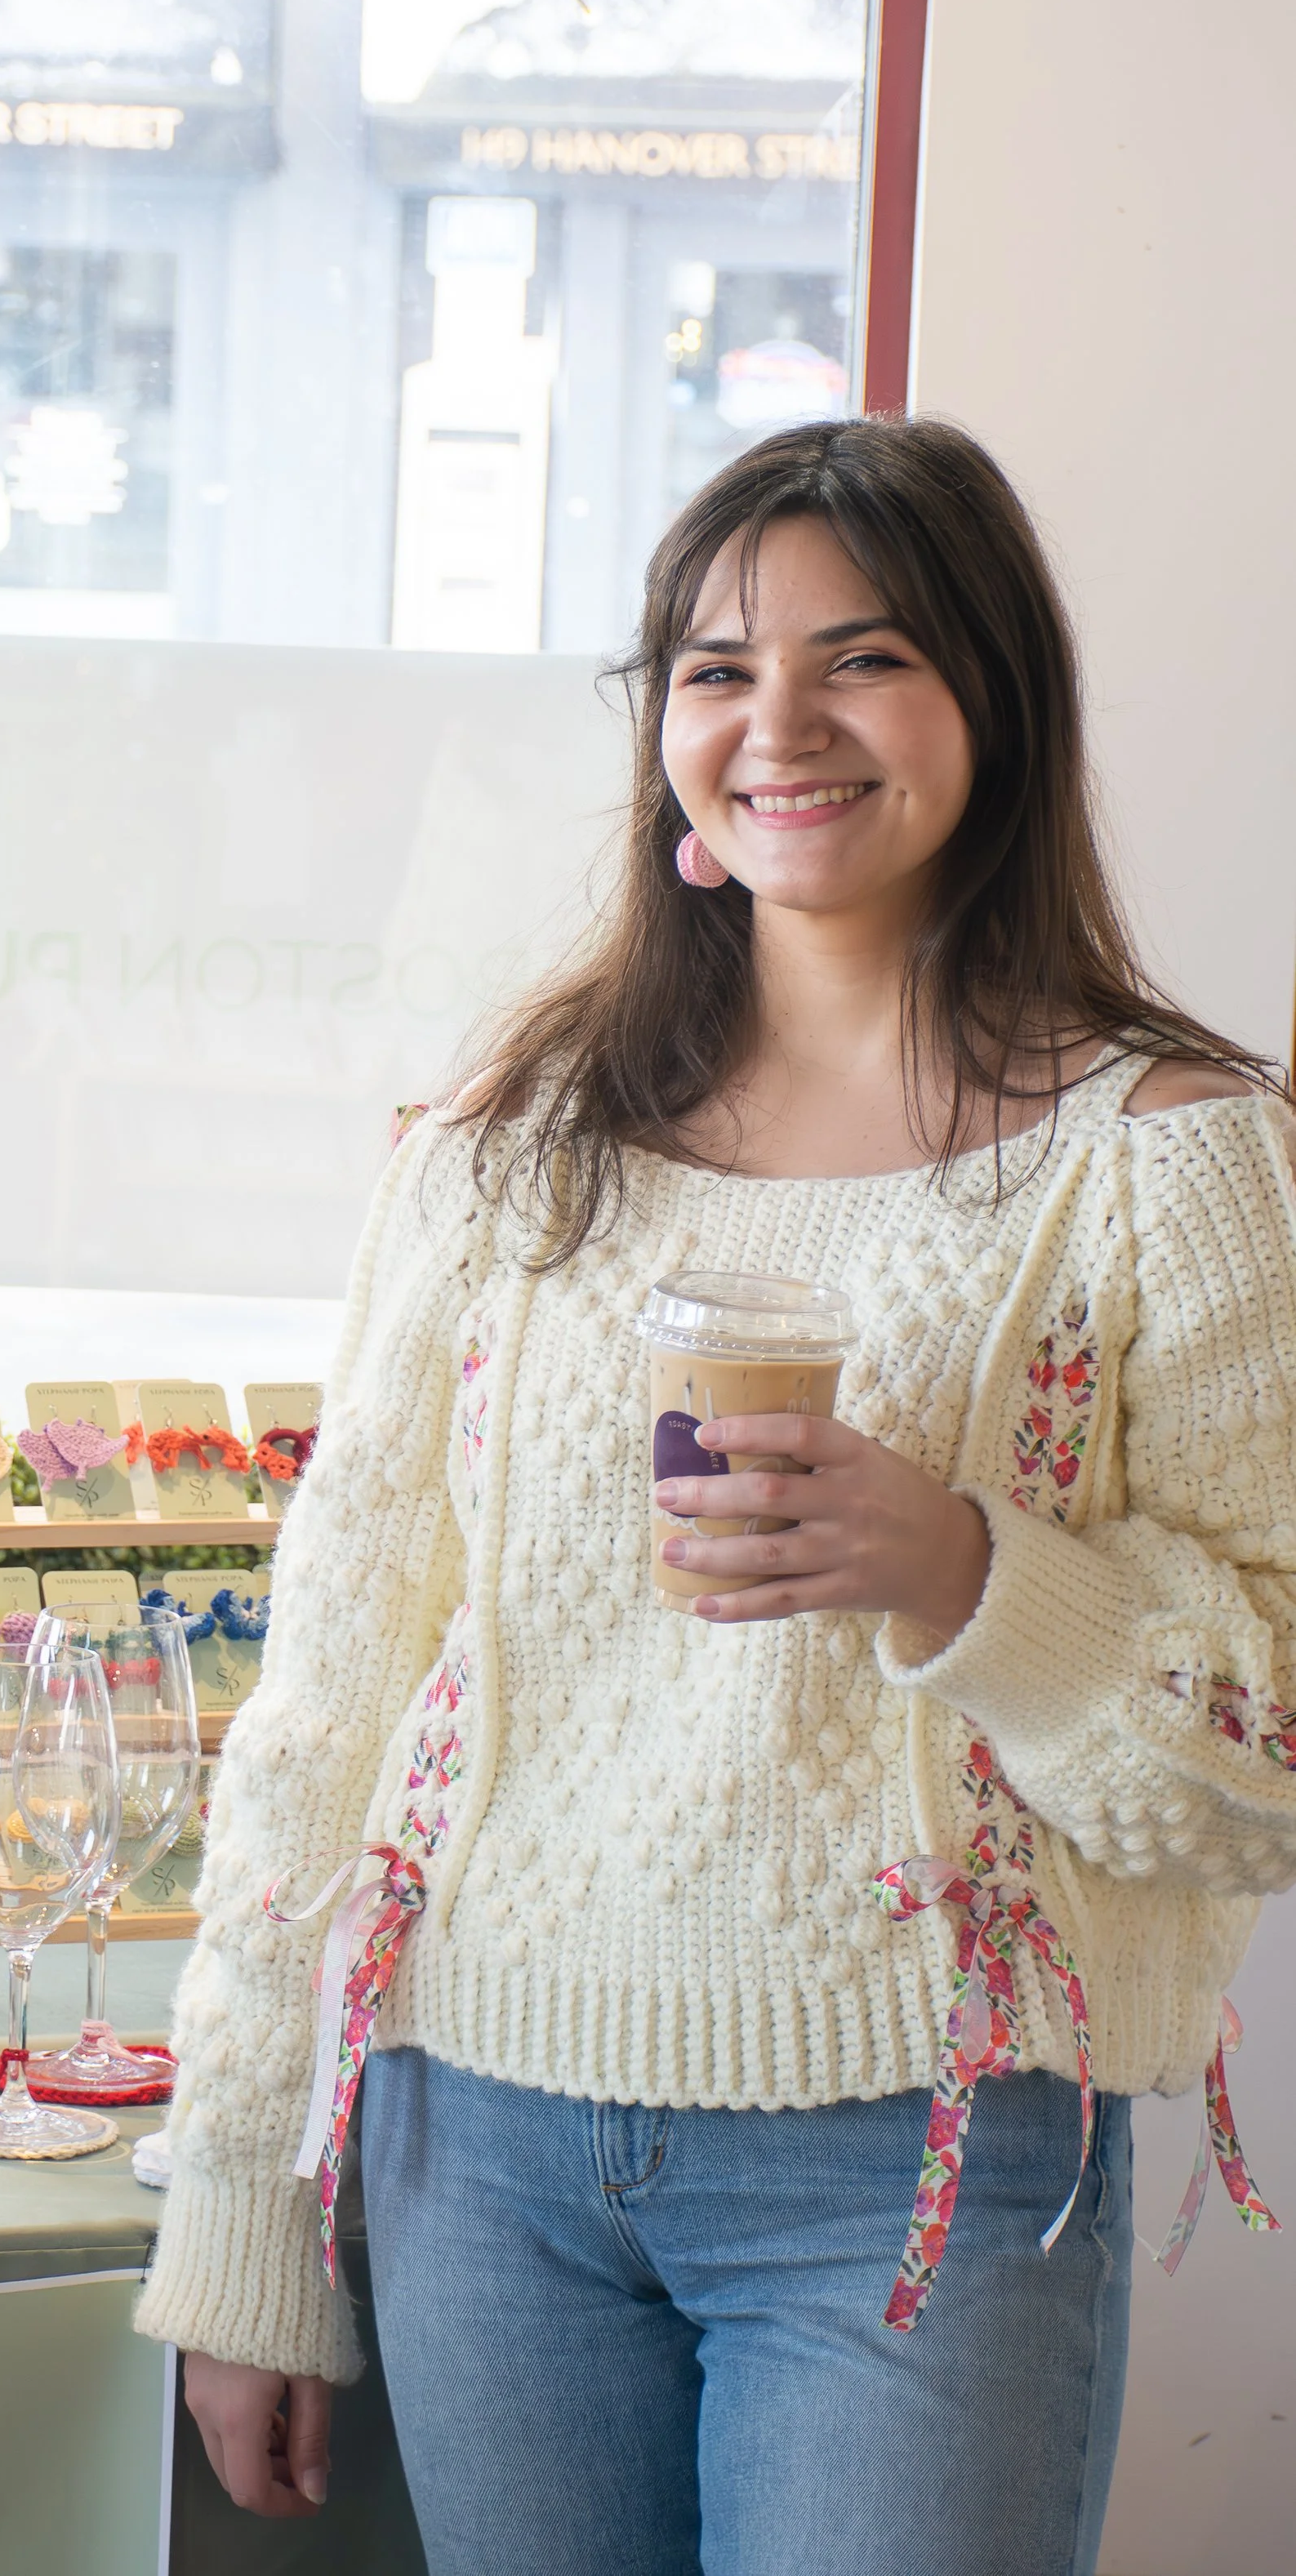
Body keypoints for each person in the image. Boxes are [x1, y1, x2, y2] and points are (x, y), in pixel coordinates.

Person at [135, 417, 1296, 2576]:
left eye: (860, 658)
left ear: (995, 704)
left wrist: (968, 1573)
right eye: (709, 666)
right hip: (471, 2140)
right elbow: (328, 1693)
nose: (775, 725)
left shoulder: (1175, 1158)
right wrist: (240, 2224)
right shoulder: (507, 1147)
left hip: (919, 2168)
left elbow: (1273, 1765)